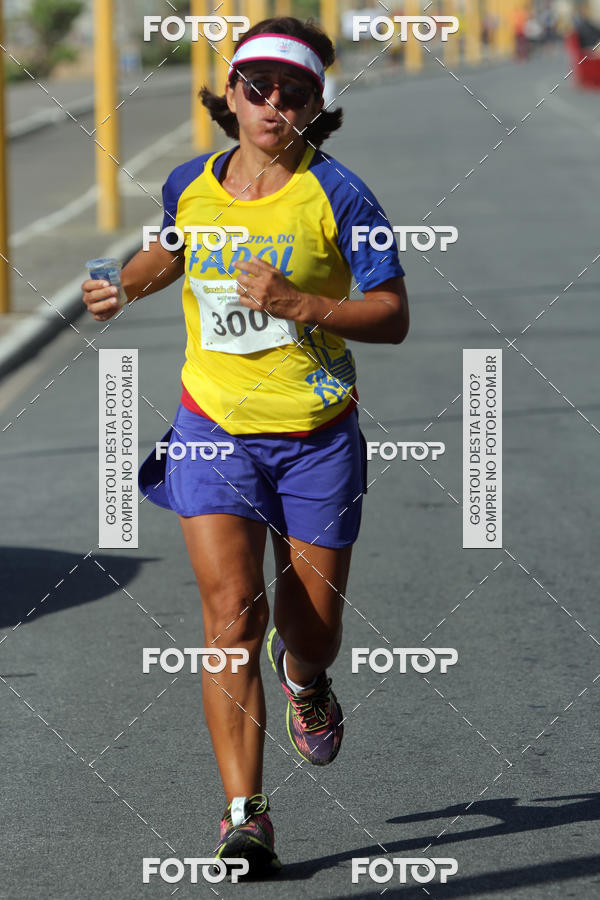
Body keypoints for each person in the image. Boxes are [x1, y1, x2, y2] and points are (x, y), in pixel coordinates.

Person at [81, 15, 409, 876]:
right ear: (229, 95)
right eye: (256, 86)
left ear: (313, 106)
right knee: (231, 617)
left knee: (313, 629)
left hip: (314, 439)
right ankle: (245, 815)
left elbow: (393, 314)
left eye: (292, 92)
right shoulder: (193, 182)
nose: (271, 103)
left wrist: (302, 303)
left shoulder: (342, 195)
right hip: (212, 431)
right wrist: (123, 283)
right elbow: (170, 253)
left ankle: (306, 679)